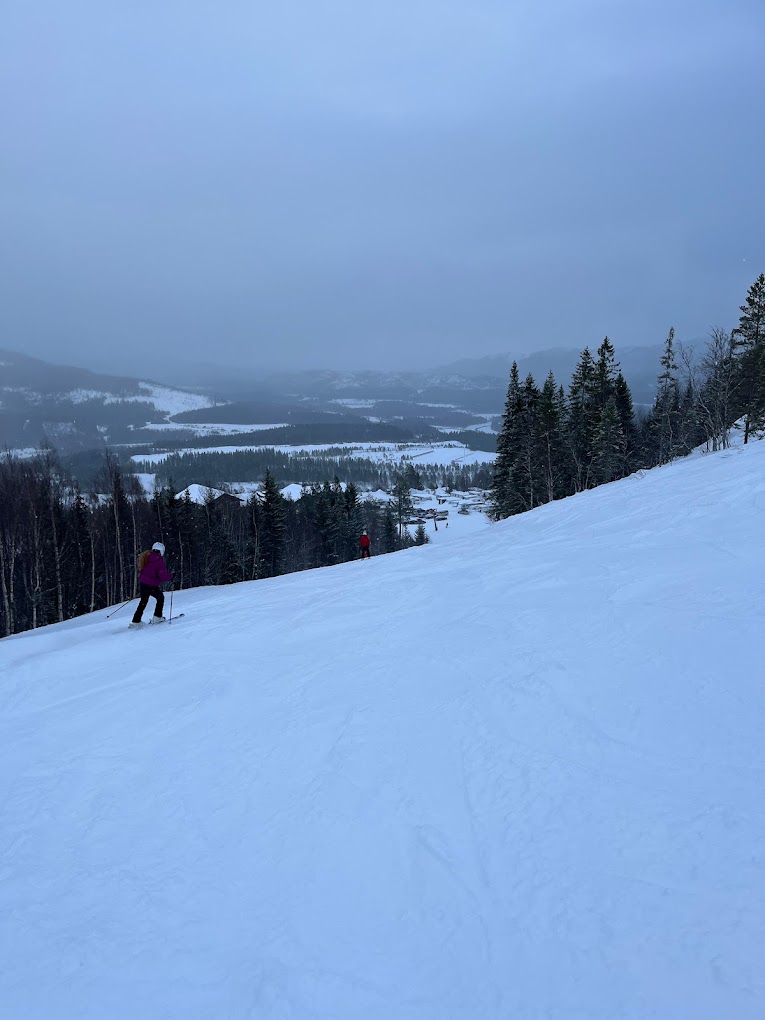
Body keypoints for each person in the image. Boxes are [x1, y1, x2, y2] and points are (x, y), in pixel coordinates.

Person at [130, 542, 174, 626]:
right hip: (152, 585)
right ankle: (157, 618)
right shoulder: (159, 561)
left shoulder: (146, 557)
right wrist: (171, 576)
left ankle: (136, 621)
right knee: (160, 598)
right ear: (161, 551)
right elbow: (163, 577)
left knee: (143, 601)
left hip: (143, 583)